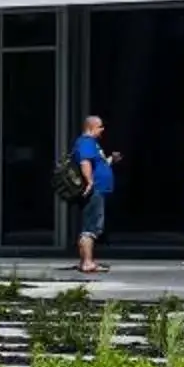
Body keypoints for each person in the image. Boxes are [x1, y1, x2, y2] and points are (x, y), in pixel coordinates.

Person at [70, 113, 119, 276]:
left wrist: (112, 159)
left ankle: (85, 260)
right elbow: (85, 162)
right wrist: (90, 182)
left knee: (91, 225)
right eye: (100, 127)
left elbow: (99, 163)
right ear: (91, 127)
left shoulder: (93, 144)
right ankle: (87, 263)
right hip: (95, 190)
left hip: (99, 189)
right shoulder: (86, 143)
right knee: (91, 227)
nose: (103, 130)